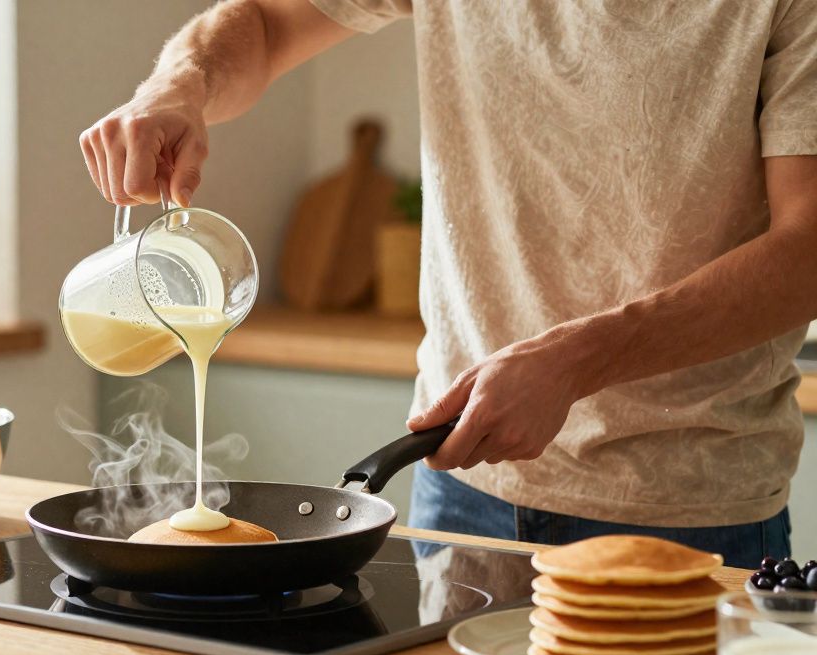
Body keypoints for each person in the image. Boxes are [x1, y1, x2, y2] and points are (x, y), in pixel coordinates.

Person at [79, 0, 817, 567]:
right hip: (462, 491)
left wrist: (575, 361)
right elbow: (267, 24)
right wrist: (176, 85)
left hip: (690, 507)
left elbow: (807, 249)